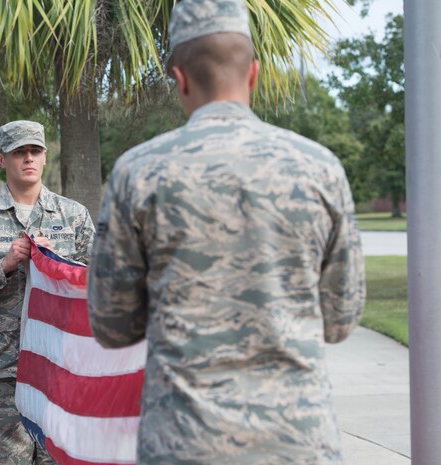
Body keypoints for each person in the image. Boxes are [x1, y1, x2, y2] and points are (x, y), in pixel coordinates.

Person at [87, 1, 366, 464]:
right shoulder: (320, 169)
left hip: (185, 443)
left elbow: (113, 326)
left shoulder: (138, 172)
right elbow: (340, 320)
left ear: (179, 78)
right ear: (254, 73)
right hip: (296, 442)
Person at [0, 120, 95, 465]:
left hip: (61, 367)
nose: (28, 158)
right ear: (2, 159)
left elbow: (99, 284)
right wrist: (4, 265)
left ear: (45, 157)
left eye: (35, 151)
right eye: (19, 152)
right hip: (2, 373)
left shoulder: (73, 216)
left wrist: (58, 262)